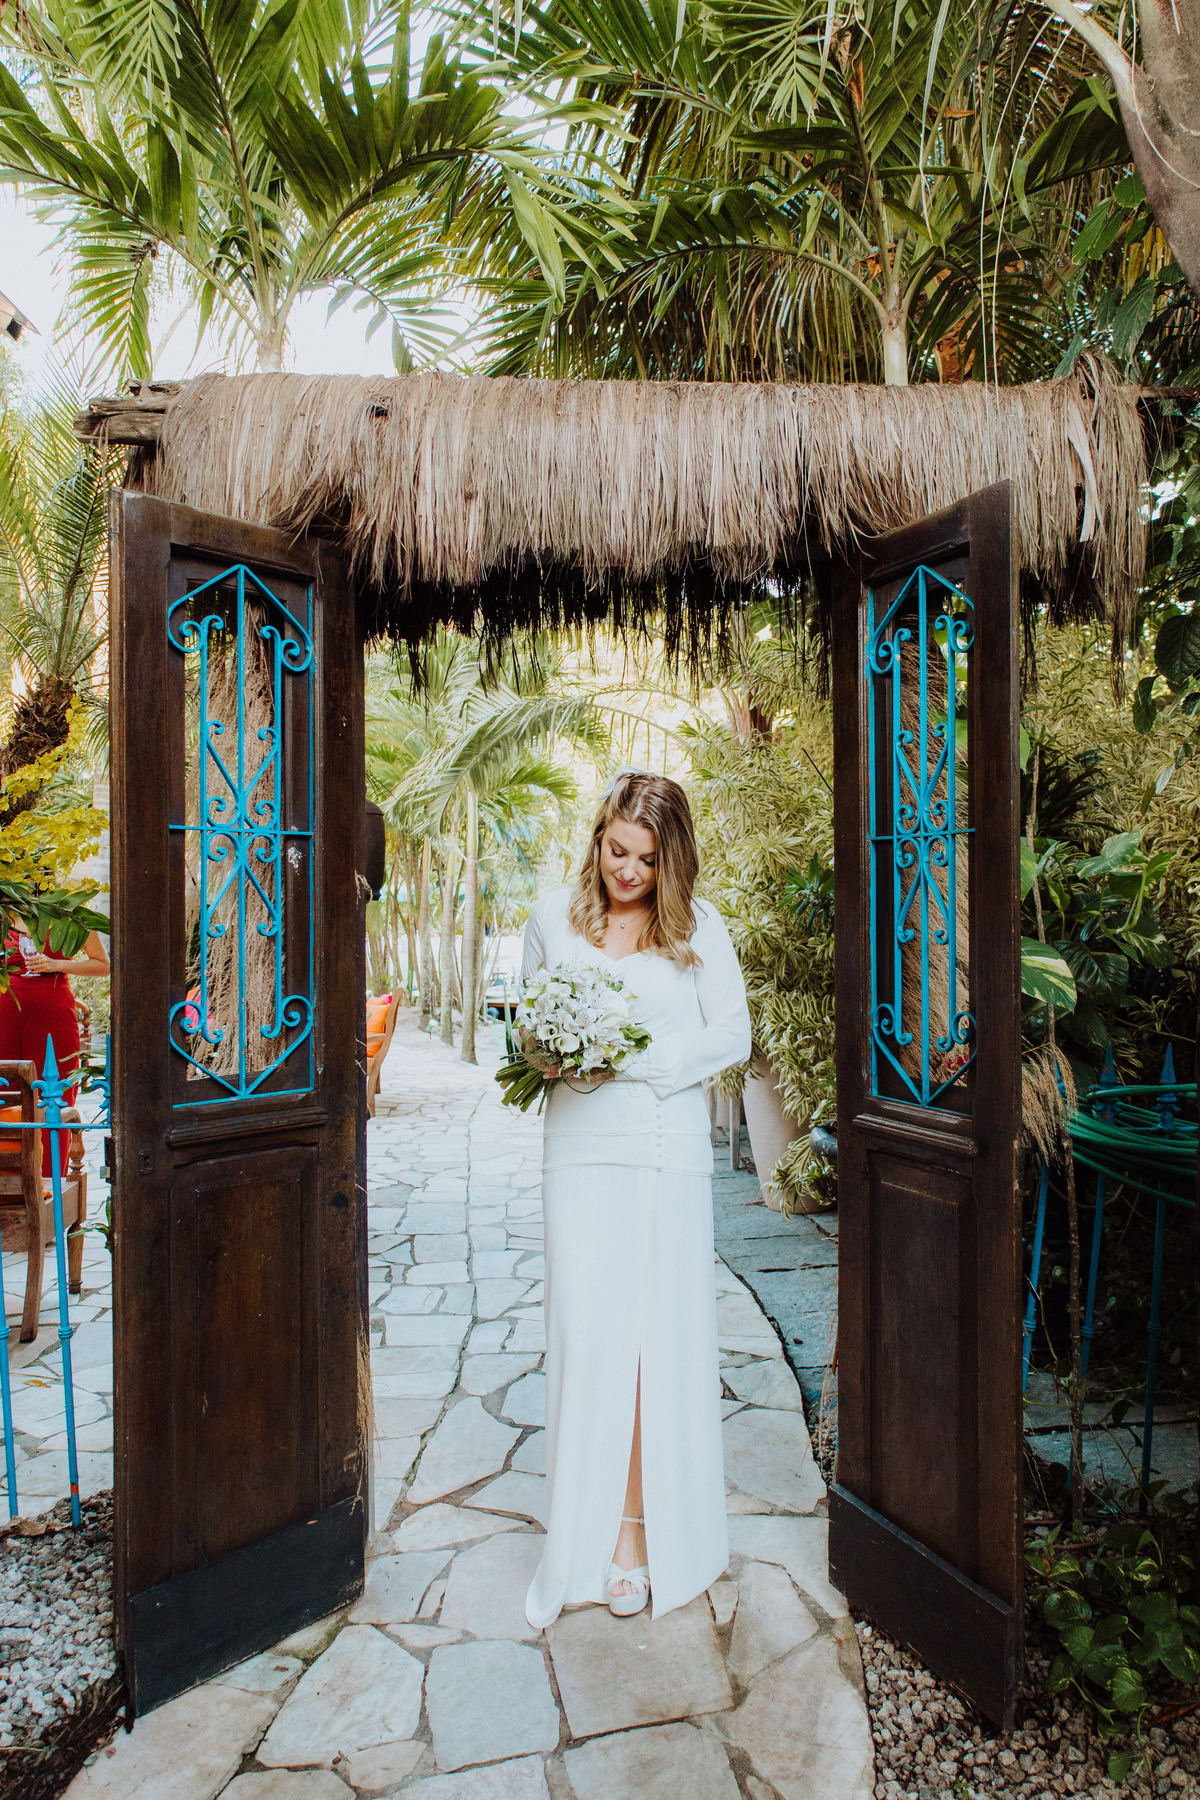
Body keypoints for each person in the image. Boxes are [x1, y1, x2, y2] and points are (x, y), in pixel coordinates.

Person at [520, 772, 751, 1627]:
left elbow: (734, 1031)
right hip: (579, 1147)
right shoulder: (550, 917)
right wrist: (553, 1051)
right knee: (587, 1335)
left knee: (656, 1339)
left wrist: (647, 1065)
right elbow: (527, 1025)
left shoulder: (697, 928)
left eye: (646, 859)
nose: (627, 870)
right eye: (616, 849)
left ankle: (638, 1536)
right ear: (597, 837)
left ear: (670, 860)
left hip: (664, 1150)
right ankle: (583, 1531)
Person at [0, 920, 110, 1175]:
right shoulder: (5, 909)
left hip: (54, 1015)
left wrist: (56, 964)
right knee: (6, 1094)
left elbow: (103, 966)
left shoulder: (70, 915)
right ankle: (8, 1189)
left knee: (54, 1097)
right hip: (6, 1013)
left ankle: (53, 1185)